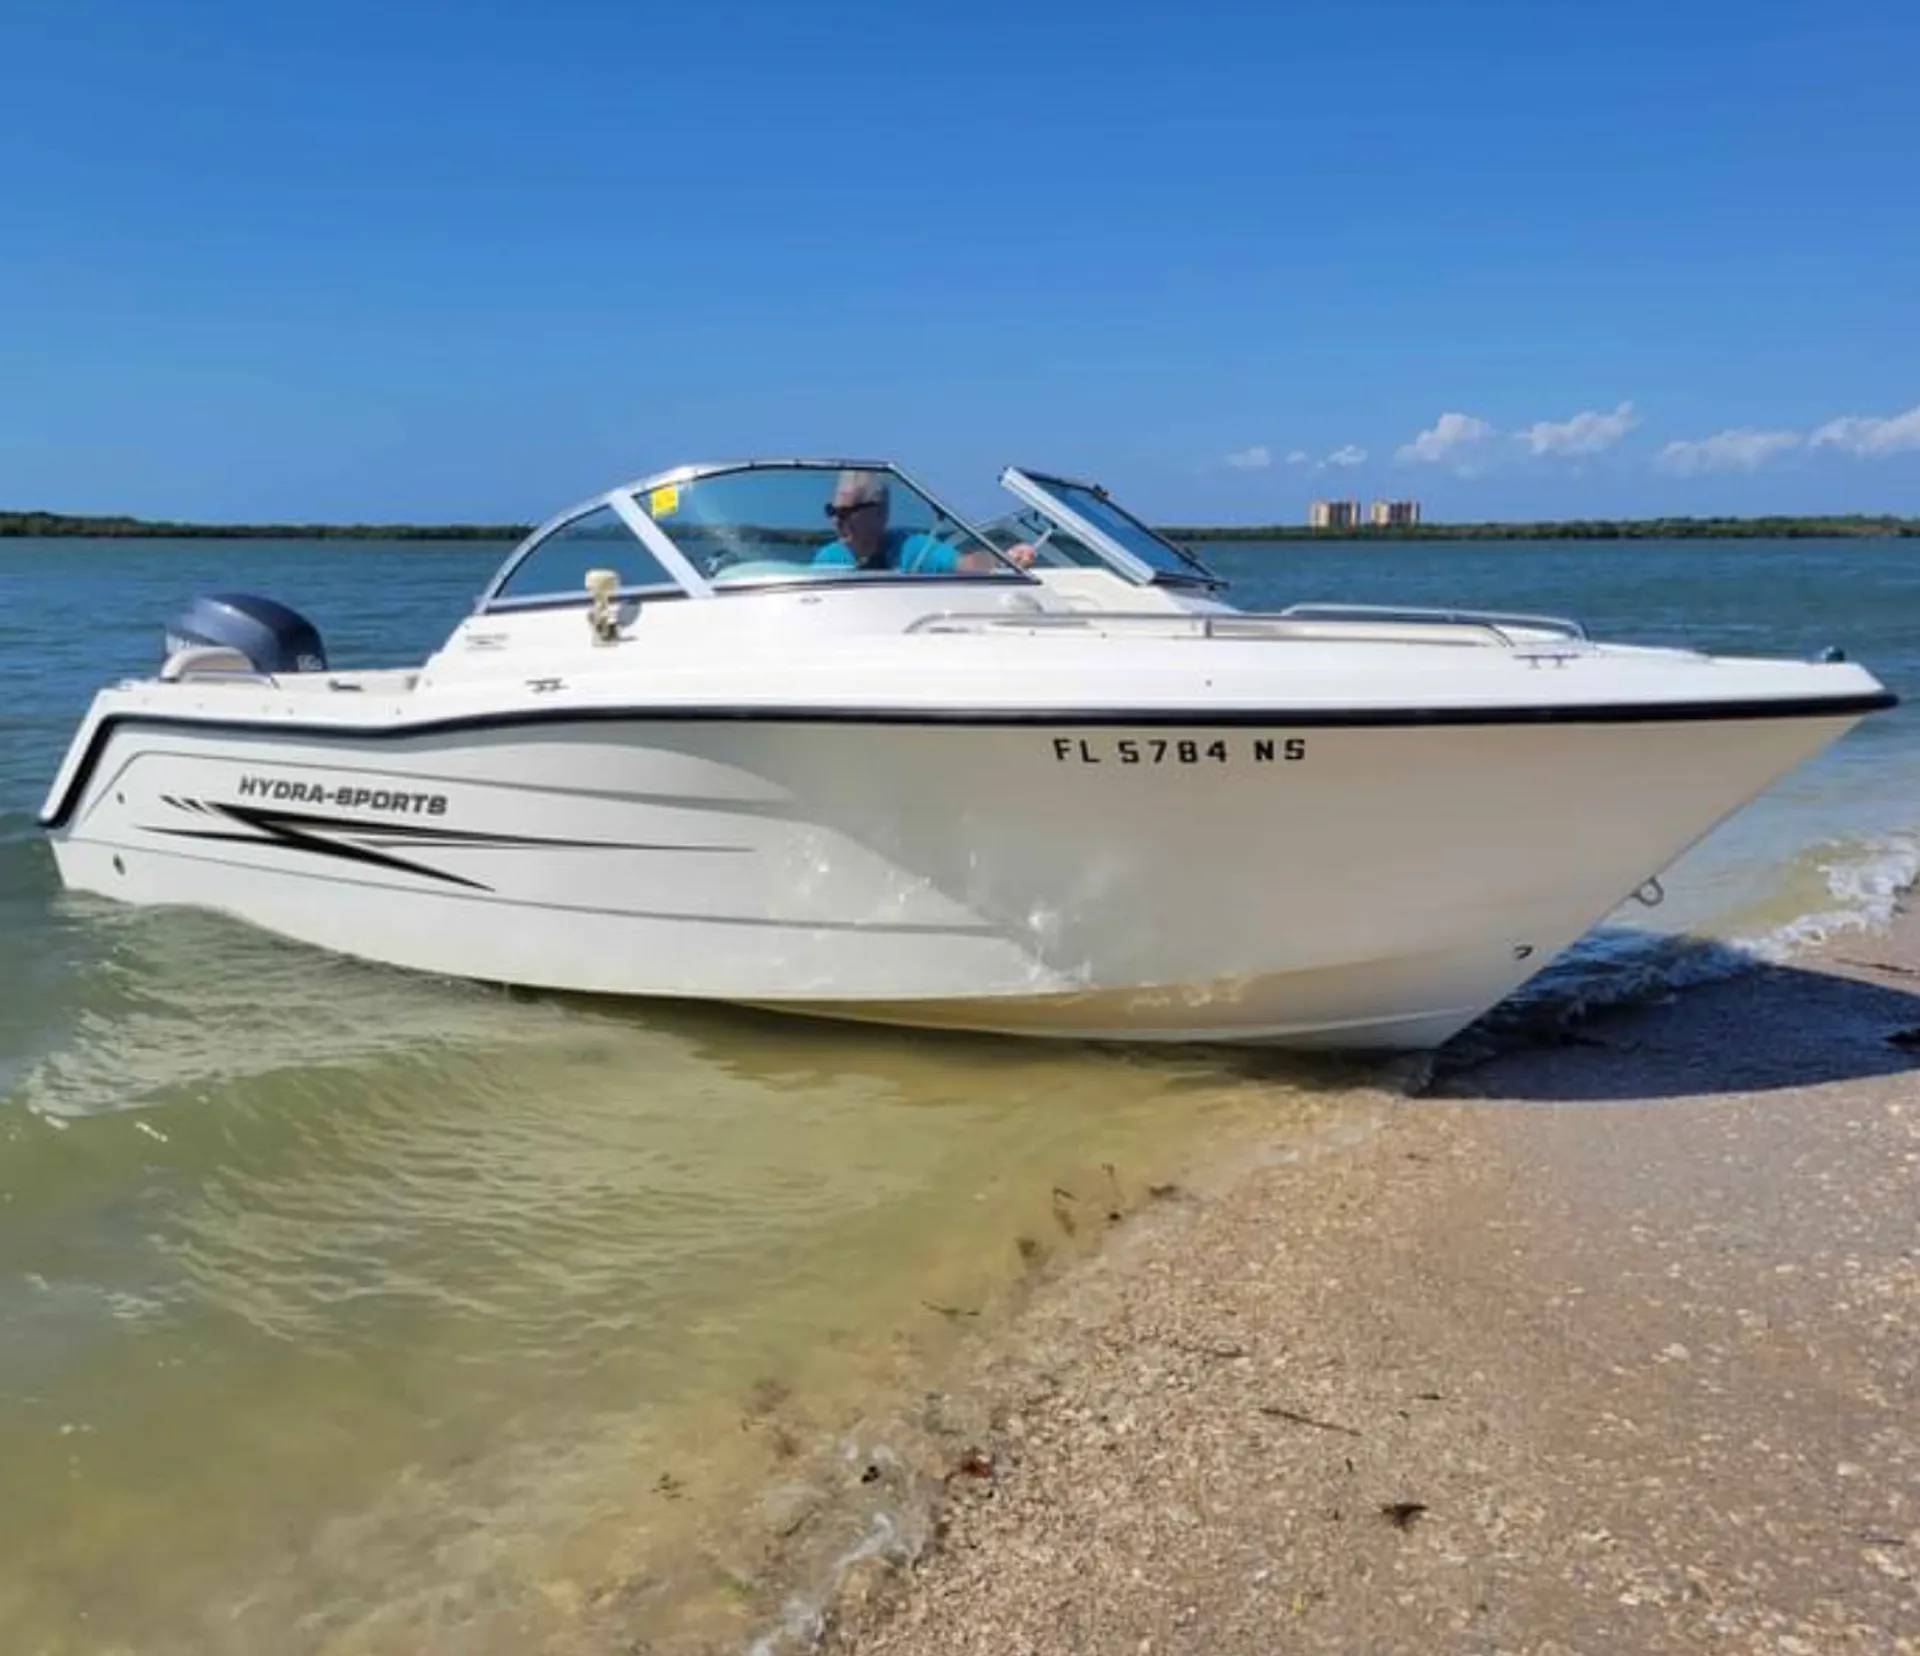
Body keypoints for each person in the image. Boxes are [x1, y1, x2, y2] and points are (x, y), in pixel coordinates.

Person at [812, 471, 1033, 574]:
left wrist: (1004, 559)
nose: (836, 521)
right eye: (832, 511)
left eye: (848, 512)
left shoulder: (912, 548)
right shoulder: (828, 559)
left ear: (880, 513)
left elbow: (964, 564)